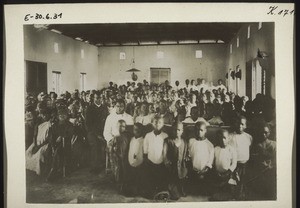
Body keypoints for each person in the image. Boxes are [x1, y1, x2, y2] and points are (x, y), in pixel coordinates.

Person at [104, 99, 134, 173]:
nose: (119, 108)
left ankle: (125, 172)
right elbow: (106, 132)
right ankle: (116, 171)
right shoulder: (110, 117)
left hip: (125, 140)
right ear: (115, 107)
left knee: (124, 148)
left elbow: (130, 132)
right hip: (114, 139)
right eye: (117, 106)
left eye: (121, 106)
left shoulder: (129, 117)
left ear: (125, 107)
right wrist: (111, 140)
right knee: (115, 149)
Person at [143, 115, 169, 198]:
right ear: (152, 124)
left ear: (163, 124)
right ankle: (151, 192)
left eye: (160, 122)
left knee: (160, 178)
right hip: (150, 161)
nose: (157, 124)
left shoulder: (165, 136)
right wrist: (145, 157)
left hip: (161, 162)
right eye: (155, 122)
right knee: (150, 178)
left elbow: (166, 150)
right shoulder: (148, 135)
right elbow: (145, 147)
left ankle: (160, 192)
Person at [229, 116, 253, 199]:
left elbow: (249, 149)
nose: (240, 126)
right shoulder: (230, 136)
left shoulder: (248, 137)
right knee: (233, 183)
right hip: (234, 165)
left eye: (242, 124)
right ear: (234, 124)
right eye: (238, 123)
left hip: (244, 165)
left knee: (243, 183)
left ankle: (242, 195)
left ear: (246, 126)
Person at [163, 122, 188, 200]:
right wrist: (166, 161)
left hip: (181, 165)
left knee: (182, 177)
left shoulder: (184, 141)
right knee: (172, 180)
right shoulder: (168, 141)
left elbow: (187, 152)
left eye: (179, 130)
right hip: (172, 166)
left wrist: (187, 156)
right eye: (175, 130)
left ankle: (181, 189)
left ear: (182, 131)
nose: (177, 132)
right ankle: (173, 191)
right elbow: (164, 153)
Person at [85, 92, 108, 174]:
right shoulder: (90, 108)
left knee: (106, 143)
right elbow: (88, 123)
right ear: (93, 99)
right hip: (92, 132)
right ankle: (94, 166)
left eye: (100, 98)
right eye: (96, 98)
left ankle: (104, 164)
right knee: (95, 145)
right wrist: (97, 135)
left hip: (103, 131)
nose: (98, 100)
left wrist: (104, 133)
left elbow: (107, 122)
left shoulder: (104, 108)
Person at [123, 123, 144, 196]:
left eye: (139, 129)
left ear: (142, 130)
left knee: (139, 178)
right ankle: (131, 190)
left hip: (140, 164)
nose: (137, 131)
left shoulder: (143, 140)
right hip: (131, 163)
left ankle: (138, 190)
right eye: (135, 129)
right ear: (133, 130)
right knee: (131, 178)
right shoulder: (132, 139)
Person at [111, 120, 131, 192]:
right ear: (117, 127)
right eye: (120, 126)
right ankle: (119, 184)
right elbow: (113, 147)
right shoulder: (116, 137)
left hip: (125, 156)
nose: (121, 128)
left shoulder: (127, 136)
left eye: (123, 126)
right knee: (118, 170)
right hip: (118, 156)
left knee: (124, 170)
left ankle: (124, 185)